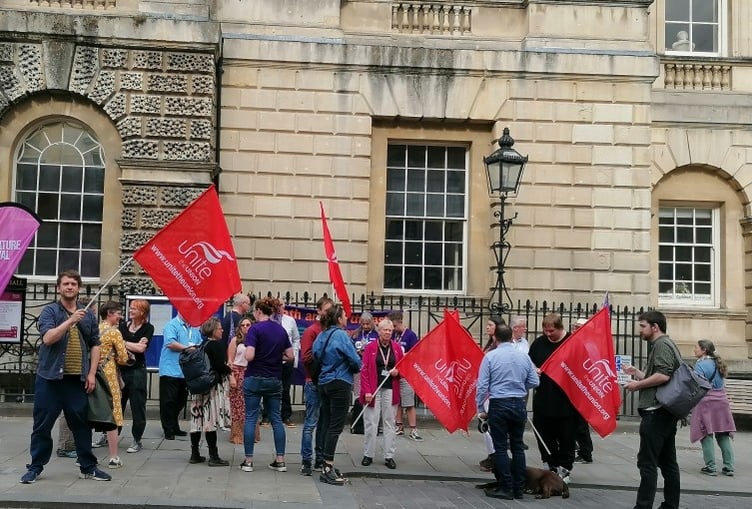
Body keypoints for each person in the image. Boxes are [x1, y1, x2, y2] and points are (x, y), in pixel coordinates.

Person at [21, 269, 111, 484]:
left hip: (76, 380)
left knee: (81, 425)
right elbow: (49, 338)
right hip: (50, 380)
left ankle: (88, 466)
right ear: (58, 288)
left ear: (78, 288)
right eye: (66, 284)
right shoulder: (50, 311)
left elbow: (95, 344)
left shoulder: (88, 313)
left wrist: (91, 373)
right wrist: (70, 321)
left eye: (73, 284)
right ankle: (35, 467)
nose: (69, 287)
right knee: (42, 426)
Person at [624, 310, 681, 509]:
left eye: (642, 326)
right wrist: (639, 373)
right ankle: (670, 505)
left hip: (656, 412)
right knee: (667, 463)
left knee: (647, 463)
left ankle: (643, 506)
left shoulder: (662, 345)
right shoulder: (665, 344)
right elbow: (660, 375)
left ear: (654, 327)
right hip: (664, 412)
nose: (639, 330)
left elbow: (663, 376)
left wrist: (636, 385)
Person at [477, 324, 539, 500]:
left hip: (499, 403)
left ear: (495, 338)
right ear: (511, 337)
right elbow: (535, 381)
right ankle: (519, 487)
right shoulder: (523, 357)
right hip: (518, 403)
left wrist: (480, 408)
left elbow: (482, 385)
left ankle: (506, 486)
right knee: (518, 446)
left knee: (501, 447)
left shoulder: (490, 357)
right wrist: (519, 386)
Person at [240, 297, 293, 473]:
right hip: (274, 378)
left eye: (254, 311)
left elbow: (249, 356)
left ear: (259, 311)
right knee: (276, 419)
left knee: (251, 417)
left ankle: (248, 461)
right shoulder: (280, 330)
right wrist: (277, 357)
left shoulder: (254, 330)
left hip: (254, 377)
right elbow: (290, 356)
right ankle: (280, 460)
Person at [313, 304, 361, 486]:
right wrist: (354, 364)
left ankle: (323, 462)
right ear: (339, 319)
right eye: (344, 316)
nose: (347, 318)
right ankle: (328, 466)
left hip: (324, 382)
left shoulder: (321, 335)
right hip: (340, 382)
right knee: (336, 426)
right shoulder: (341, 335)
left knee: (325, 423)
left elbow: (315, 354)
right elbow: (355, 360)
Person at [528, 312, 576, 484]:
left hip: (566, 400)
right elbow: (529, 362)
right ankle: (551, 465)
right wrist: (533, 370)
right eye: (545, 331)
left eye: (551, 331)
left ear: (560, 328)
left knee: (566, 437)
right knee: (543, 435)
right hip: (543, 398)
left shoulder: (571, 343)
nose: (548, 335)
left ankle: (565, 468)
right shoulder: (539, 343)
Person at [188, 317, 232, 466]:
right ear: (213, 330)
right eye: (220, 328)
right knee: (209, 421)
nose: (222, 330)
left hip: (197, 387)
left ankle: (195, 453)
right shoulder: (215, 345)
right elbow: (220, 366)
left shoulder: (202, 345)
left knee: (196, 420)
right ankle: (214, 456)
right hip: (210, 387)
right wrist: (229, 368)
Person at [360, 318, 403, 469]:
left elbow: (403, 367)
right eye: (385, 330)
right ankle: (368, 454)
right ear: (379, 331)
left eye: (390, 330)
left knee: (389, 422)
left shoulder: (397, 348)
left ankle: (389, 455)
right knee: (371, 421)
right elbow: (364, 371)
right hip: (373, 388)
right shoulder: (371, 347)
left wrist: (398, 371)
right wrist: (366, 391)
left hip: (390, 388)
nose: (388, 333)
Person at [95, 301, 133, 469]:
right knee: (114, 415)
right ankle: (113, 457)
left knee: (91, 412)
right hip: (109, 376)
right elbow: (124, 358)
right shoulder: (115, 332)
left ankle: (82, 455)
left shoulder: (95, 329)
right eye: (118, 313)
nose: (120, 316)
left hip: (94, 375)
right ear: (110, 313)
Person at [690, 339, 736, 477]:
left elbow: (696, 384)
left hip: (706, 402)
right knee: (723, 434)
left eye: (696, 347)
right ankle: (729, 467)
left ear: (704, 350)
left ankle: (711, 467)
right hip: (722, 401)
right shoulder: (718, 363)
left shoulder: (701, 365)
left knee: (706, 434)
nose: (694, 349)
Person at [299, 296, 333, 475]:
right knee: (311, 422)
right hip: (313, 381)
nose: (329, 313)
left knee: (324, 423)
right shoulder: (312, 331)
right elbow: (305, 356)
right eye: (326, 310)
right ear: (318, 311)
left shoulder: (331, 330)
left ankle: (320, 458)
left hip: (327, 381)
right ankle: (306, 459)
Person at [159, 313, 201, 440]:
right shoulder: (171, 325)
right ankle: (168, 429)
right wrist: (188, 348)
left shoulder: (194, 328)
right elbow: (171, 343)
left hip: (185, 371)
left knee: (181, 401)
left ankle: (174, 425)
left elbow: (199, 344)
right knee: (168, 401)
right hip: (171, 369)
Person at [118, 299, 152, 454]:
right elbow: (135, 345)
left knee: (138, 406)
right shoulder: (122, 326)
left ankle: (137, 439)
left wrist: (121, 342)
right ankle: (110, 435)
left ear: (142, 312)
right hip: (121, 370)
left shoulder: (147, 328)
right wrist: (132, 344)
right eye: (130, 308)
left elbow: (141, 349)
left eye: (134, 309)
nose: (130, 311)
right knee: (117, 404)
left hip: (137, 371)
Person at [389, 310, 422, 441]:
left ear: (399, 322)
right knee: (397, 402)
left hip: (407, 374)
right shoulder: (392, 336)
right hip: (395, 373)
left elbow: (416, 353)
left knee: (408, 402)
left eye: (393, 326)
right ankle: (399, 425)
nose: (392, 329)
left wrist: (408, 355)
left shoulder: (410, 335)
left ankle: (413, 428)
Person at [479, 315, 506, 472]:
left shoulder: (498, 347)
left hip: (492, 392)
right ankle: (492, 454)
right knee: (485, 426)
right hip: (486, 390)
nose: (487, 327)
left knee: (490, 425)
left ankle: (495, 455)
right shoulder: (490, 344)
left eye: (490, 325)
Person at [349, 311, 378, 436]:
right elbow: (349, 349)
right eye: (363, 324)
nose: (365, 326)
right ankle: (358, 423)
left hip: (372, 369)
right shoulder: (356, 334)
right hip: (358, 368)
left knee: (370, 394)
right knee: (358, 395)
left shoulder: (376, 334)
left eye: (368, 324)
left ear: (372, 322)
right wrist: (358, 352)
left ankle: (371, 423)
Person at [273, 299, 301, 427]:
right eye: (277, 306)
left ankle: (286, 415)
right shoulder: (269, 320)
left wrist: (294, 356)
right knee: (271, 388)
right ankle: (268, 415)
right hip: (272, 359)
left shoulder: (290, 321)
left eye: (282, 306)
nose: (280, 308)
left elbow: (296, 339)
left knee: (285, 389)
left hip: (287, 359)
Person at [571, 317, 594, 464]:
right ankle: (577, 448)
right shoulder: (574, 343)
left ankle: (586, 453)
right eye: (574, 327)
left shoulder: (589, 345)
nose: (574, 330)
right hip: (574, 387)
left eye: (577, 327)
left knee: (580, 422)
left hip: (582, 388)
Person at [227, 318, 253, 444]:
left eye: (248, 324)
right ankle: (237, 434)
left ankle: (250, 434)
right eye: (243, 325)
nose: (245, 327)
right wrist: (231, 376)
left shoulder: (254, 340)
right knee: (237, 406)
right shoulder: (235, 340)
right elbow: (230, 360)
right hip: (237, 373)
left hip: (249, 373)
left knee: (250, 405)